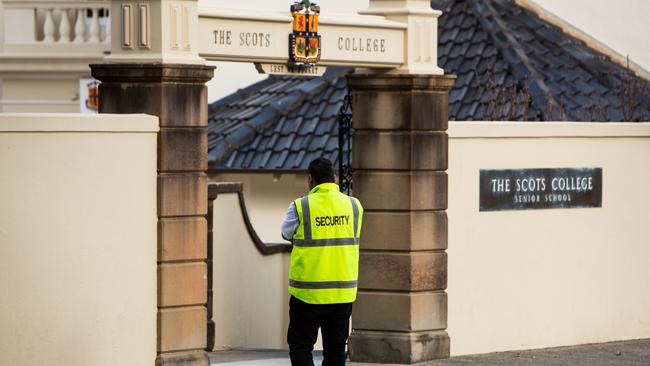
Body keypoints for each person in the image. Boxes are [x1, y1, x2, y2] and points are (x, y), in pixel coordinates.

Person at [280, 157, 364, 366]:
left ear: (310, 179)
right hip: (342, 293)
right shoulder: (354, 206)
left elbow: (285, 233)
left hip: (307, 294)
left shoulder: (301, 206)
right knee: (335, 352)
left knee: (301, 346)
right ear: (333, 178)